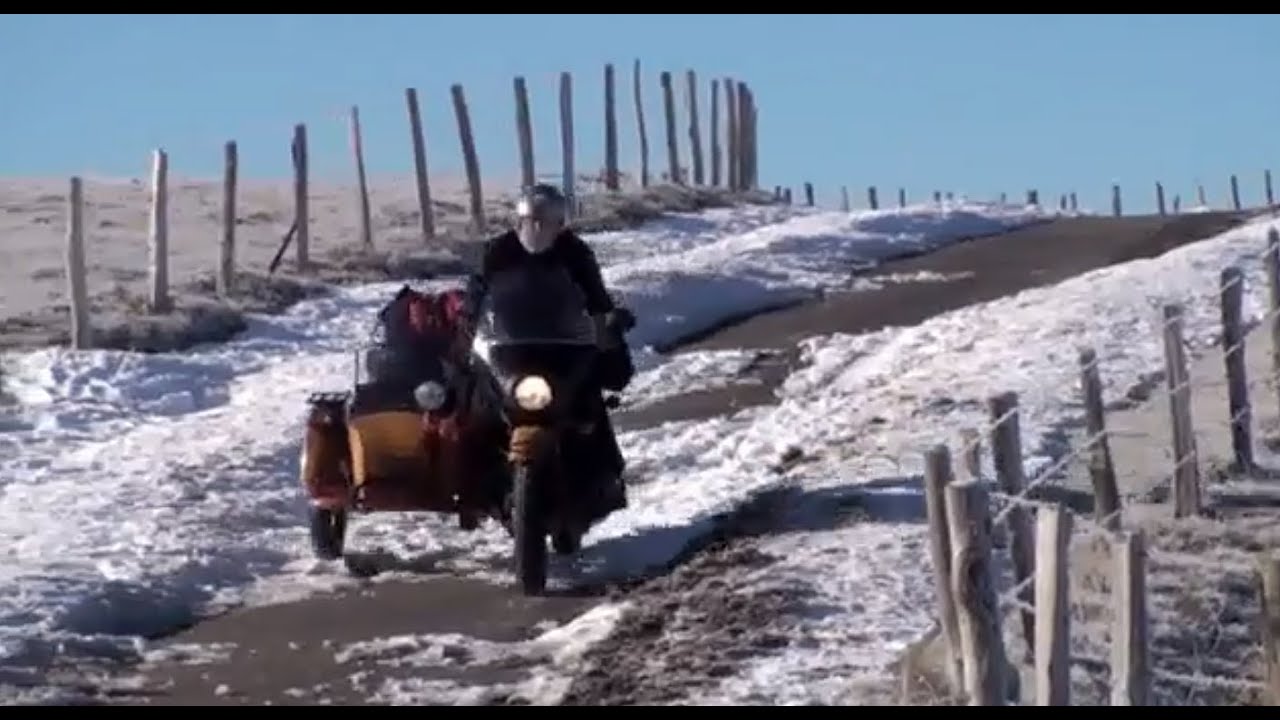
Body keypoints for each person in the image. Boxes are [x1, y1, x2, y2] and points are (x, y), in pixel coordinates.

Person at [463, 183, 631, 514]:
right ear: (519, 221)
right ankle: (470, 485)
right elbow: (475, 297)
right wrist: (465, 330)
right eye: (532, 221)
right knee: (475, 407)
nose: (538, 229)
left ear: (560, 225)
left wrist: (608, 328)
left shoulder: (576, 253)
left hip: (562, 345)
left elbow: (597, 299)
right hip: (507, 347)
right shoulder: (496, 251)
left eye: (547, 222)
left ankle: (604, 479)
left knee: (589, 403)